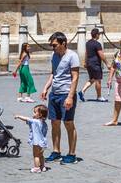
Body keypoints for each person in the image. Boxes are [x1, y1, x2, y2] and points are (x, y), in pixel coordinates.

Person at [39, 32, 81, 164]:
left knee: (68, 123)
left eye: (55, 45)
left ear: (63, 43)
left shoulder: (72, 56)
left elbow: (75, 77)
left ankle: (72, 154)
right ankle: (56, 151)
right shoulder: (54, 55)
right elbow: (54, 73)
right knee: (54, 123)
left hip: (66, 94)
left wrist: (70, 97)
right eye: (52, 45)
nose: (53, 48)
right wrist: (46, 87)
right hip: (54, 94)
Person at [14, 104, 50, 173]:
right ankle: (42, 167)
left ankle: (37, 168)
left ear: (40, 115)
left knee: (36, 155)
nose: (33, 113)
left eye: (35, 112)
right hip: (43, 142)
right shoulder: (44, 123)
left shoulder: (35, 121)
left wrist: (18, 116)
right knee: (41, 155)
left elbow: (26, 119)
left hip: (36, 142)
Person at [79, 27, 105, 101]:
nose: (99, 35)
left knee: (92, 79)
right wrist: (107, 63)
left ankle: (82, 91)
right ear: (97, 35)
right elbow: (101, 54)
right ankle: (99, 97)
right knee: (98, 79)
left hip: (89, 64)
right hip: (95, 64)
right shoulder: (97, 44)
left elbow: (86, 53)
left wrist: (85, 62)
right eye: (99, 34)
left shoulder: (88, 43)